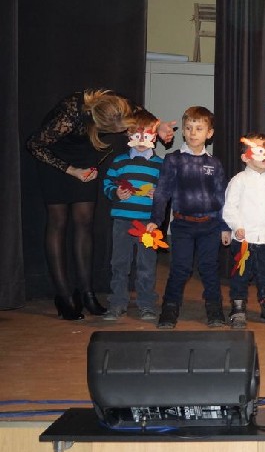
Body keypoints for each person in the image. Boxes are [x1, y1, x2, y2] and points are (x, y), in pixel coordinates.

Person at [27, 89, 173, 320]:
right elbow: (34, 145)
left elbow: (140, 114)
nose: (123, 132)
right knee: (58, 220)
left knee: (84, 220)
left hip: (83, 153)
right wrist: (71, 170)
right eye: (119, 130)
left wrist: (159, 124)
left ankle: (86, 292)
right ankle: (64, 295)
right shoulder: (68, 117)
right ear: (100, 125)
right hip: (53, 157)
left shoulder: (118, 103)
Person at [147, 106, 230, 329]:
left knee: (209, 268)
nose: (193, 133)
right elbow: (162, 192)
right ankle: (170, 308)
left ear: (209, 133)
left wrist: (224, 226)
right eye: (189, 128)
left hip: (210, 226)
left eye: (199, 128)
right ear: (183, 131)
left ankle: (214, 308)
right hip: (183, 225)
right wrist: (156, 219)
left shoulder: (214, 164)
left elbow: (221, 197)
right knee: (180, 268)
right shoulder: (173, 159)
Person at [222, 132, 265, 329]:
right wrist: (237, 226)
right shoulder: (239, 180)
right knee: (240, 276)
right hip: (244, 241)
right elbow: (229, 208)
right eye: (260, 151)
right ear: (246, 157)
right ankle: (238, 309)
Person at [100, 109, 164, 321]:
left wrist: (159, 194)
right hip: (122, 221)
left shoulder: (159, 164)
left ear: (154, 137)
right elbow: (107, 183)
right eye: (137, 134)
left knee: (146, 265)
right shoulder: (119, 161)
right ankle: (117, 303)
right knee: (119, 263)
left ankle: (146, 304)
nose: (141, 140)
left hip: (148, 224)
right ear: (129, 134)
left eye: (146, 135)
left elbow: (167, 191)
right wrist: (115, 192)